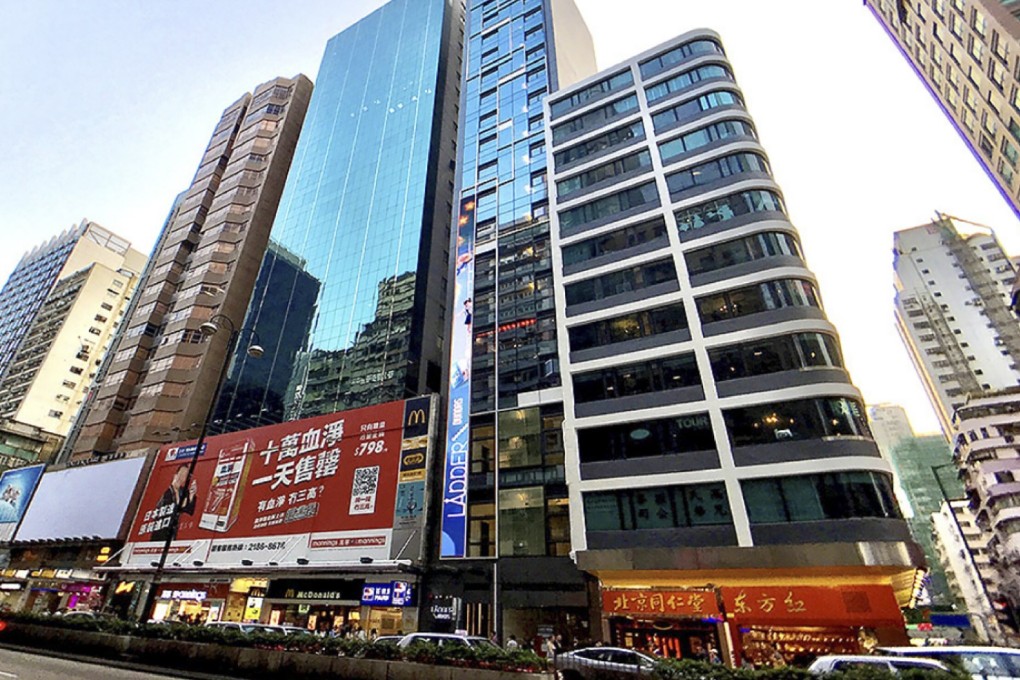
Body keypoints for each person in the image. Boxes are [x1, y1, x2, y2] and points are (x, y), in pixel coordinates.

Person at [151, 464, 198, 543]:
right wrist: (176, 490)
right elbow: (175, 507)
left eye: (185, 475)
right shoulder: (167, 492)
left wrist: (191, 495)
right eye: (181, 474)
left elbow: (189, 510)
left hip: (173, 533)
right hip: (160, 534)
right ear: (175, 475)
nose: (181, 477)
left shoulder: (183, 491)